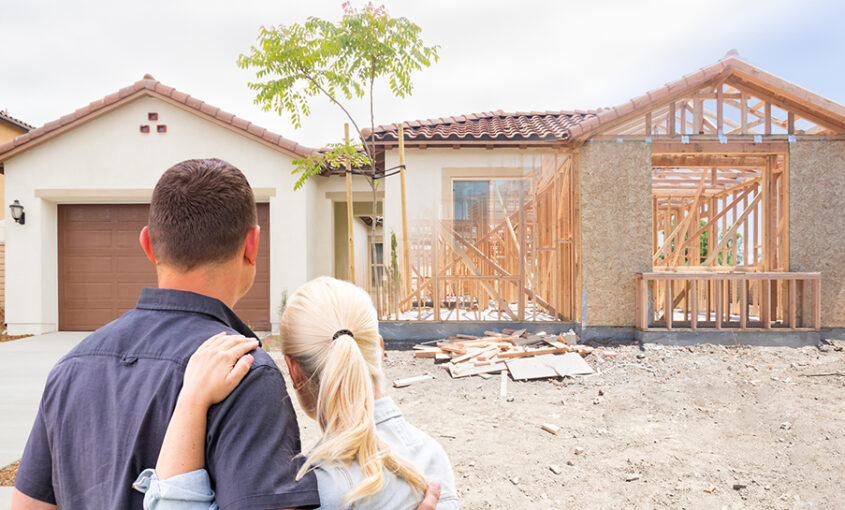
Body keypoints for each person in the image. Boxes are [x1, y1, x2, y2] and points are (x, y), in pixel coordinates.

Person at [134, 276, 460, 509]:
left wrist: (191, 399)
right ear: (380, 348)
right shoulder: (433, 459)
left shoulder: (312, 487)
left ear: (293, 371)